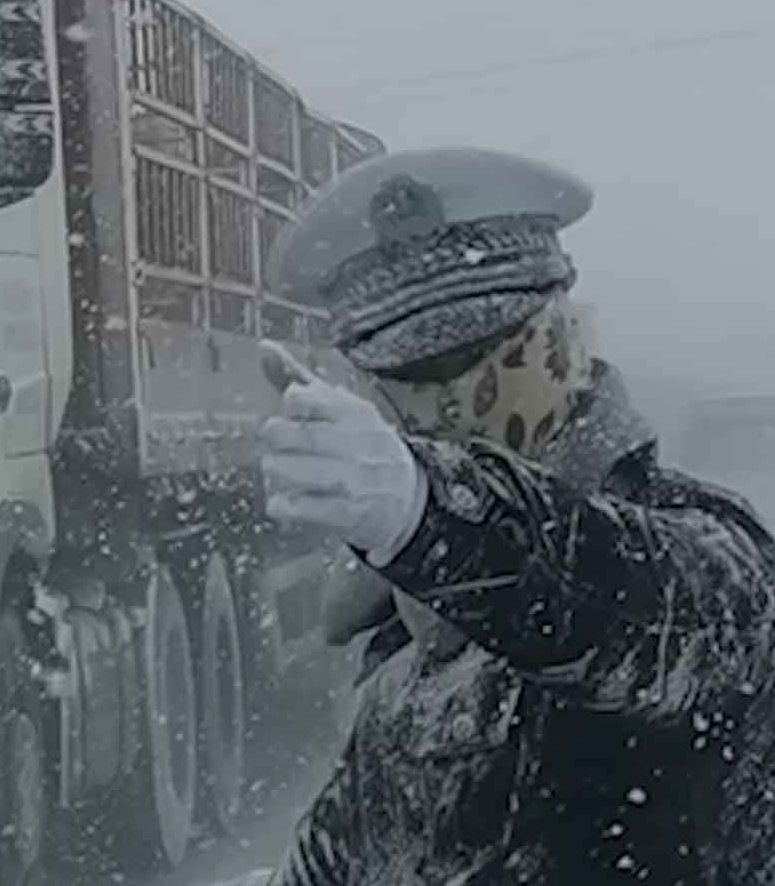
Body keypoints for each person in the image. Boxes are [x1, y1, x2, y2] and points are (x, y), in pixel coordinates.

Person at [249, 147, 775, 884]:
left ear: (558, 336)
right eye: (408, 375)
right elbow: (342, 858)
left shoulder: (700, 556)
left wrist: (430, 514)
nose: (451, 401)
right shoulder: (411, 639)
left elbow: (613, 603)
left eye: (476, 353)